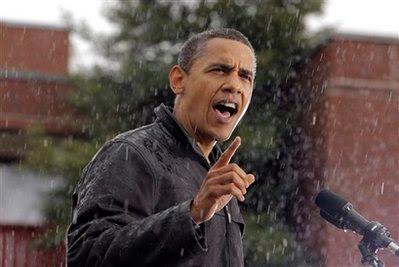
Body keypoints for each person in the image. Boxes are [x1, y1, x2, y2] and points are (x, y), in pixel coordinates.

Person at [67, 28, 257, 266]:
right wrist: (193, 213)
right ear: (178, 80)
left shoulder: (219, 177)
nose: (234, 85)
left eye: (245, 77)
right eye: (220, 70)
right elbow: (87, 257)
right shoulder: (129, 153)